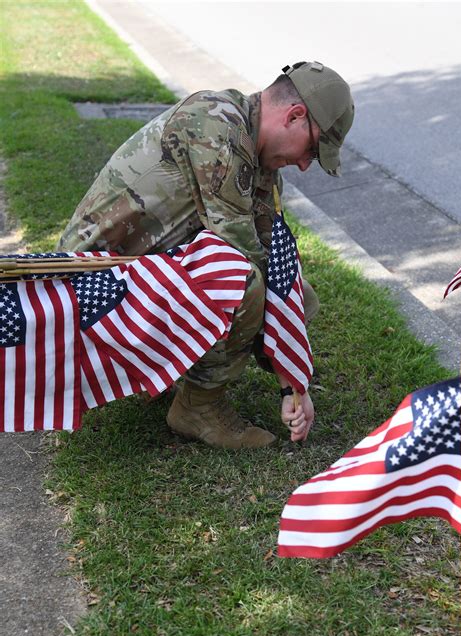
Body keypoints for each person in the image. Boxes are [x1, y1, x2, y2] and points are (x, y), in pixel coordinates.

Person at [58, 61, 354, 450]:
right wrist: (289, 372)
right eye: (312, 150)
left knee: (296, 287)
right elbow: (243, 257)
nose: (303, 164)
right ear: (295, 115)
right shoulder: (217, 128)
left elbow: (280, 276)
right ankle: (197, 408)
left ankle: (179, 372)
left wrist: (293, 386)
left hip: (134, 275)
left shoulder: (253, 152)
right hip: (91, 291)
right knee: (240, 281)